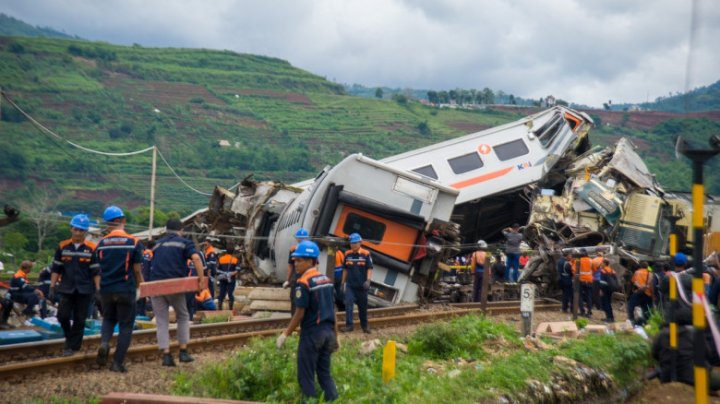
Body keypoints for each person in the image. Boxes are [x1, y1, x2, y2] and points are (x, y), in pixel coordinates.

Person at [276, 240, 338, 401]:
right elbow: (333, 311)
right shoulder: (326, 280)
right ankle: (334, 400)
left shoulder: (303, 283)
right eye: (295, 260)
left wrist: (285, 334)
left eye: (299, 260)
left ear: (311, 261)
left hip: (312, 335)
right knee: (325, 374)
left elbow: (300, 313)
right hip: (328, 333)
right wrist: (336, 337)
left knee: (306, 376)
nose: (295, 263)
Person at [94, 206, 144, 373]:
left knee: (108, 319)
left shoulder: (100, 244)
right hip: (125, 289)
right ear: (121, 221)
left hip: (106, 290)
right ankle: (117, 363)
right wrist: (141, 287)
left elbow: (98, 269)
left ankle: (104, 343)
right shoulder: (134, 242)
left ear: (108, 223)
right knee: (126, 326)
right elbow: (136, 270)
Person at [150, 218, 205, 367]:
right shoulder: (184, 242)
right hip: (174, 285)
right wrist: (201, 281)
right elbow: (196, 259)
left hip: (155, 285)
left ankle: (166, 356)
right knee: (182, 315)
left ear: (166, 229)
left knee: (161, 321)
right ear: (181, 230)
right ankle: (183, 352)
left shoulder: (157, 244)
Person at [49, 214, 100, 356]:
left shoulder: (91, 248)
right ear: (71, 229)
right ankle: (69, 338)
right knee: (62, 316)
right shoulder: (62, 246)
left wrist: (98, 290)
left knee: (80, 319)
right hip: (66, 288)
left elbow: (96, 271)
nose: (78, 233)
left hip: (85, 289)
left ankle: (72, 346)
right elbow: (56, 269)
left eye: (81, 230)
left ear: (86, 232)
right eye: (76, 229)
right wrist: (52, 287)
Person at [341, 233, 373, 333]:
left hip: (362, 286)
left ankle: (365, 326)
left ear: (360, 242)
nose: (353, 245)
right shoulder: (347, 254)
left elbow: (369, 268)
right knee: (348, 305)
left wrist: (368, 280)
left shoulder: (366, 254)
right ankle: (349, 326)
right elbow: (345, 269)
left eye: (355, 243)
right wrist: (342, 283)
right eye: (351, 243)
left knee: (362, 308)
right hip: (350, 286)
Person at [285, 228, 310, 315]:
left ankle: (301, 319)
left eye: (302, 238)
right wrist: (288, 279)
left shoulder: (310, 249)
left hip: (305, 276)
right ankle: (295, 319)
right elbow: (290, 265)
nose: (301, 240)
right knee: (294, 298)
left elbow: (315, 265)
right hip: (297, 277)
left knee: (302, 298)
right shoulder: (293, 249)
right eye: (300, 238)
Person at [136, 241, 154, 316]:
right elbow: (146, 270)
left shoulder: (142, 254)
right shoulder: (150, 254)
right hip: (145, 281)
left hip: (138, 281)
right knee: (144, 302)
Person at [577, 249, 594, 317]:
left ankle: (582, 311)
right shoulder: (591, 260)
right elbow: (594, 269)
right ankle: (589, 312)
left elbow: (574, 270)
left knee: (580, 296)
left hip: (581, 280)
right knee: (589, 296)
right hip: (589, 280)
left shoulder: (578, 261)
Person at [333, 247, 346, 311]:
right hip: (337, 277)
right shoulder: (339, 253)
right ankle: (342, 308)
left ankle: (342, 309)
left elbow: (343, 266)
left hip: (337, 277)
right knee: (338, 294)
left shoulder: (338, 253)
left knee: (339, 295)